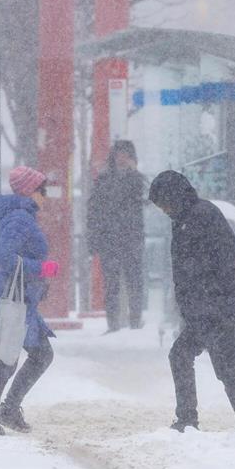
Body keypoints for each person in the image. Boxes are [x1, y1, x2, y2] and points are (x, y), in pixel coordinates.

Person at [148, 170, 235, 434]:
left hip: (215, 309)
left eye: (163, 202)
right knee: (197, 359)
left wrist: (214, 306)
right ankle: (199, 420)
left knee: (224, 367)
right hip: (206, 309)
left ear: (173, 196)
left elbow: (216, 264)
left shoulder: (199, 216)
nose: (163, 209)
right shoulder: (188, 216)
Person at [0, 166, 60, 435]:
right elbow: (4, 257)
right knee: (6, 359)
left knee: (35, 354)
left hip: (19, 298)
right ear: (29, 191)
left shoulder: (19, 216)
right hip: (11, 298)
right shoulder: (19, 219)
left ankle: (3, 412)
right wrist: (42, 268)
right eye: (42, 191)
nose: (45, 197)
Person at [86, 140, 148, 332]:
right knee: (111, 284)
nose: (122, 158)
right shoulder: (103, 180)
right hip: (110, 239)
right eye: (119, 154)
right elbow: (94, 210)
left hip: (132, 238)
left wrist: (135, 174)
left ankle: (135, 322)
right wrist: (93, 239)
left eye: (126, 154)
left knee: (135, 282)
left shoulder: (137, 179)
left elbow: (147, 198)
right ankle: (113, 324)